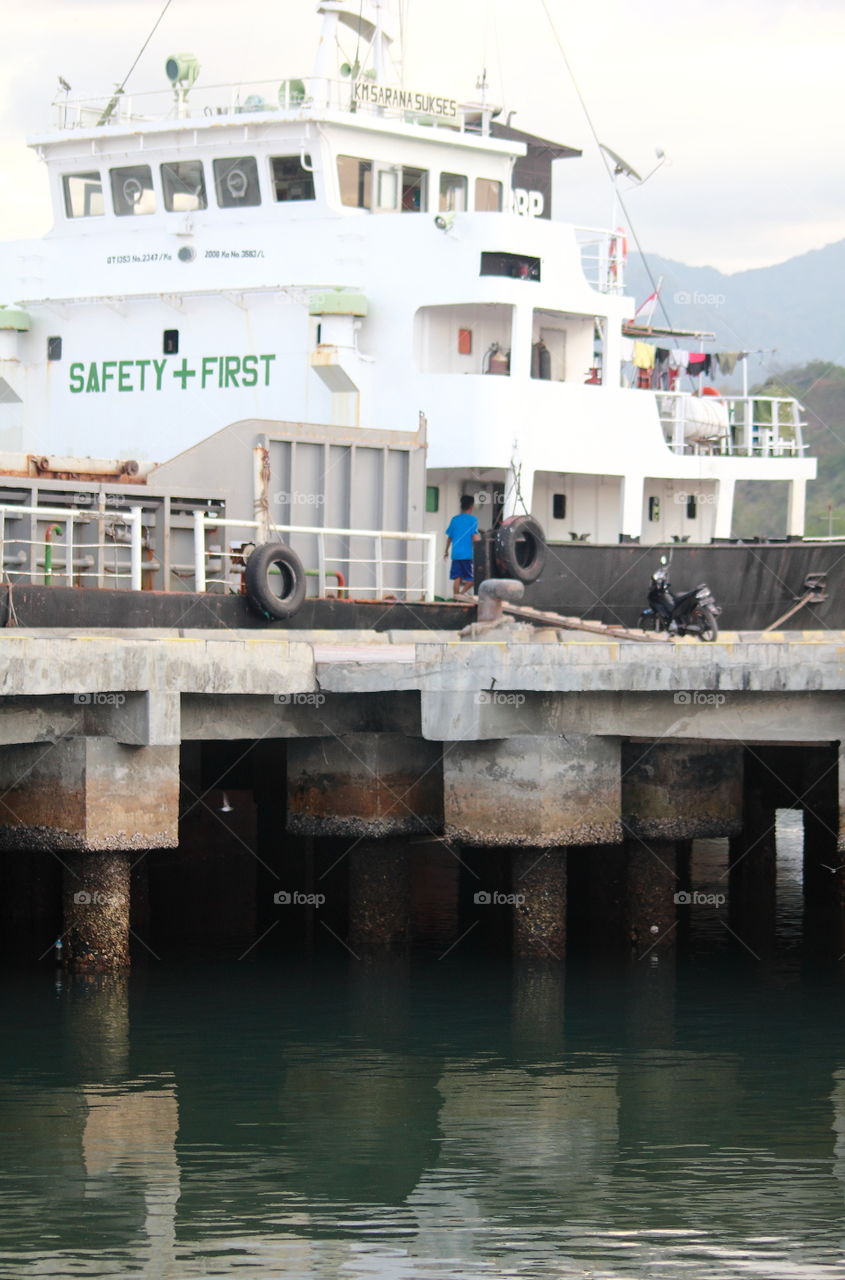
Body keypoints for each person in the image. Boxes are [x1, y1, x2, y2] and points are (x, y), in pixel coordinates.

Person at [444, 494, 480, 597]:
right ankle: (460, 594)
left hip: (456, 554)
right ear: (471, 507)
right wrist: (480, 547)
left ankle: (456, 599)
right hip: (468, 554)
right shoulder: (473, 520)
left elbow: (449, 537)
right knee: (473, 579)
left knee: (457, 578)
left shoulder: (455, 519)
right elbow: (475, 537)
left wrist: (446, 551)